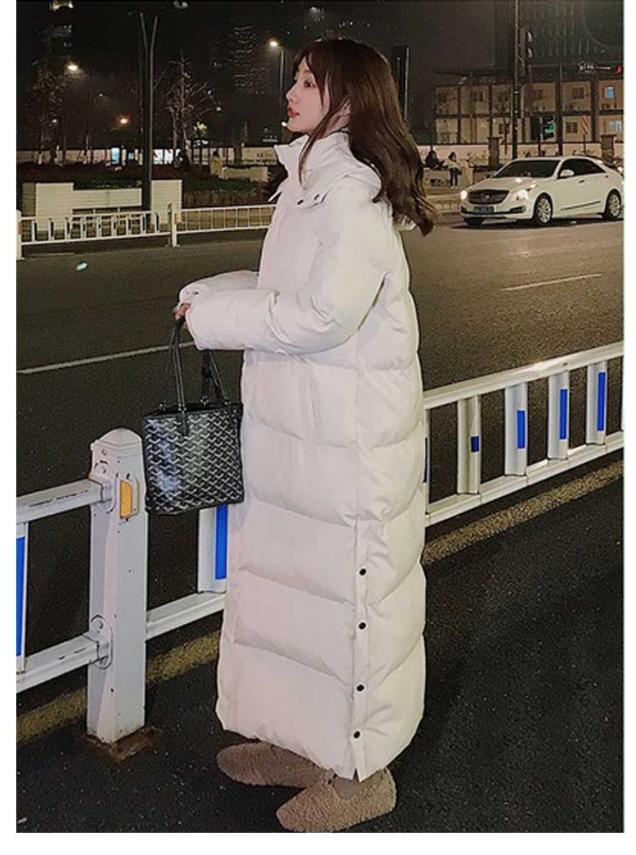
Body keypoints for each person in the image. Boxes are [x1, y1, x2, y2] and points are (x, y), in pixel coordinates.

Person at [174, 38, 435, 833]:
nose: (291, 89)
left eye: (309, 81)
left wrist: (217, 317)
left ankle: (362, 772)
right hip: (301, 435)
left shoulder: (351, 194)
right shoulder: (309, 185)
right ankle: (307, 742)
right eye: (295, 77)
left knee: (349, 602)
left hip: (347, 445)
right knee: (295, 599)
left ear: (347, 102)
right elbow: (286, 290)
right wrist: (208, 293)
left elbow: (324, 314)